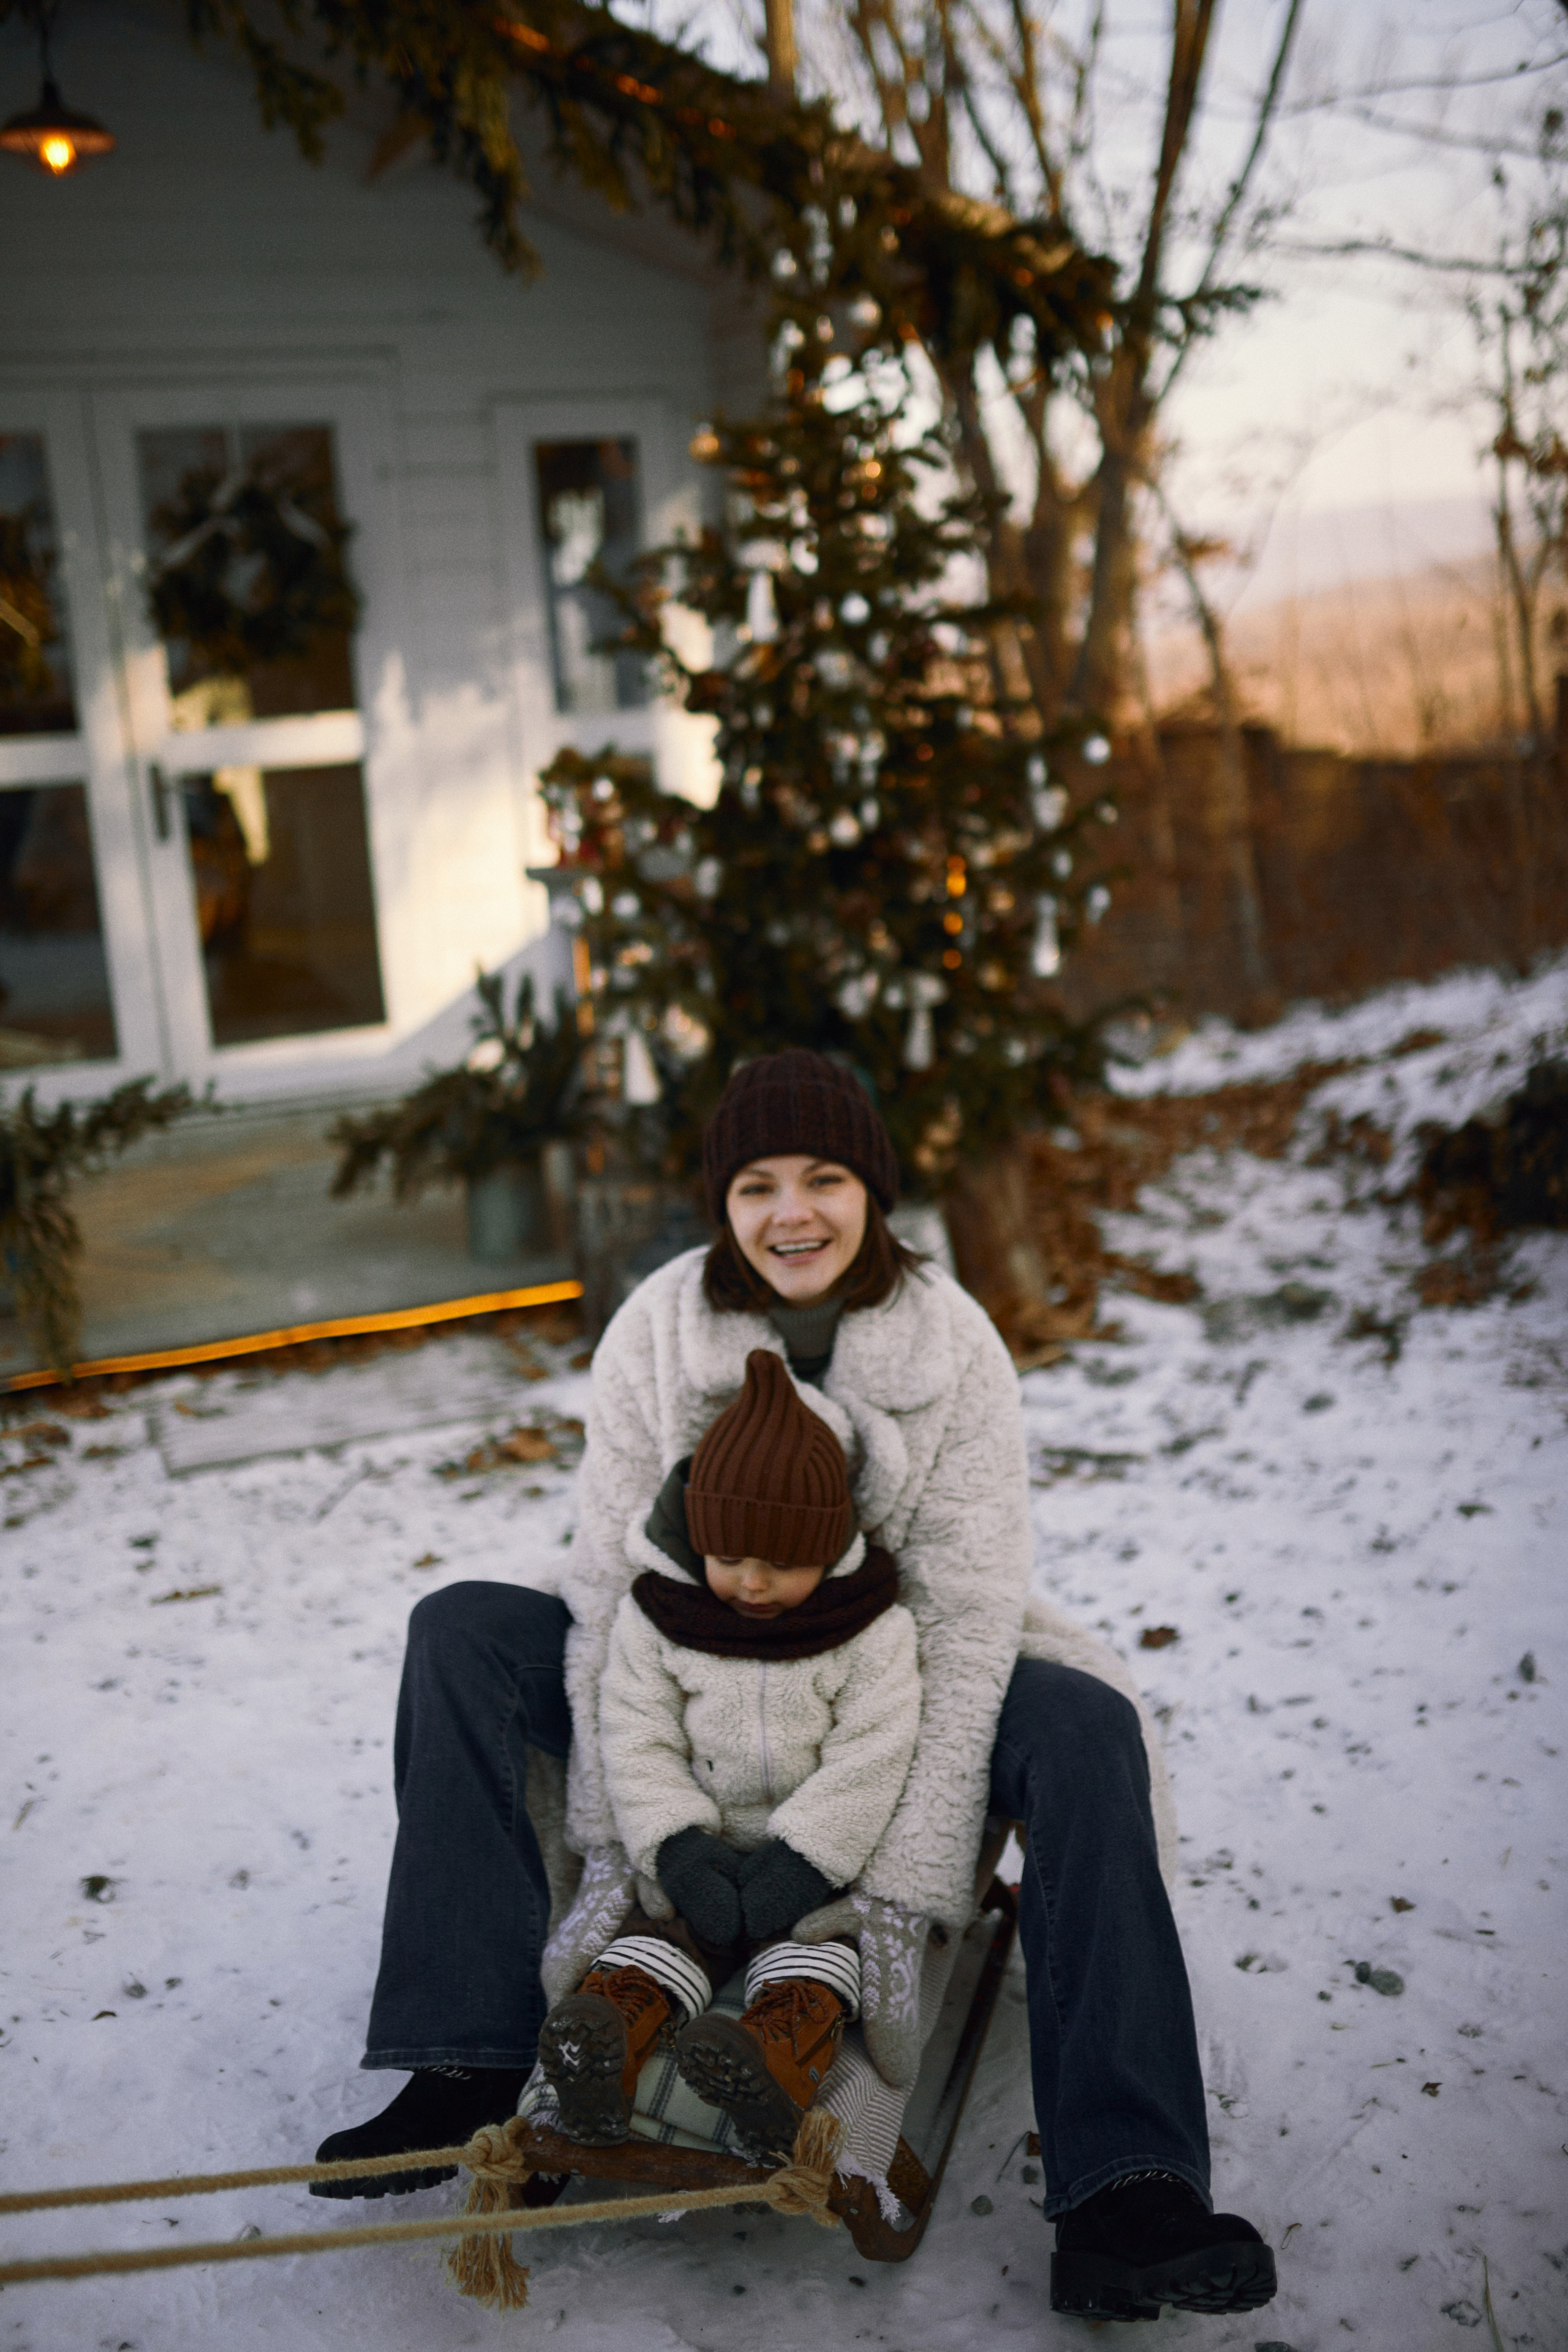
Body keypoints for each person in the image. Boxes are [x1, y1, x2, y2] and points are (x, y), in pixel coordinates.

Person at [314, 1047, 1277, 2326]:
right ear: (720, 1201)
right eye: (757, 1185)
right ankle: (466, 2054)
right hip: (678, 1675)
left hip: (899, 1678)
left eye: (824, 1179)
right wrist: (629, 1849)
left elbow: (963, 1621)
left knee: (1085, 1729)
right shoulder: (658, 1330)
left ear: (871, 1190)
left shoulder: (954, 1347)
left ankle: (1126, 2187)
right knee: (461, 1631)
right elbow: (608, 1591)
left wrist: (892, 1894)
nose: (792, 1215)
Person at [536, 1344, 919, 2156]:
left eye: (783, 1563)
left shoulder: (869, 1629)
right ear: (696, 1540)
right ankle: (604, 2039)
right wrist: (676, 1847)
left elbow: (873, 1752)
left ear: (831, 1547)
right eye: (729, 1558)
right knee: (650, 1943)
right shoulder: (660, 1618)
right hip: (698, 1856)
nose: (752, 1581)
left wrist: (807, 1861)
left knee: (817, 1964)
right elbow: (634, 1734)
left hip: (814, 1871)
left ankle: (768, 2060)